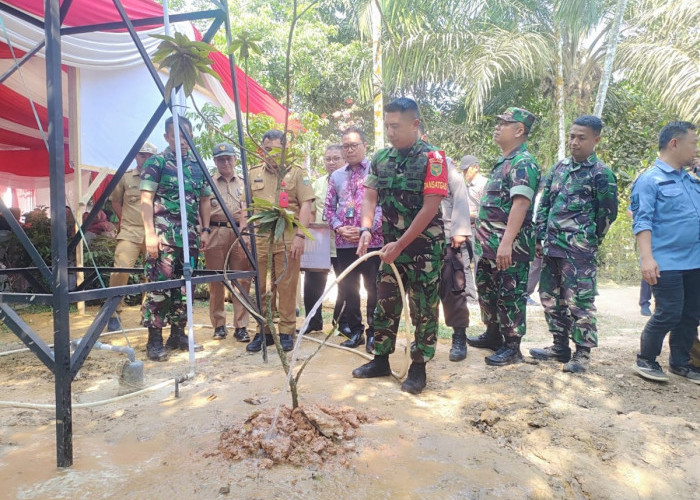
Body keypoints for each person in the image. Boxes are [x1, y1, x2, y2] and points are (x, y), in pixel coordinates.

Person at [353, 97, 448, 395]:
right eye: (387, 126)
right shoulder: (382, 158)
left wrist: (401, 243)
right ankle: (380, 359)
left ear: (415, 124)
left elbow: (430, 208)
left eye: (396, 126)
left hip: (424, 249)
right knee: (386, 300)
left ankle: (418, 367)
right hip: (391, 247)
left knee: (423, 308)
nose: (390, 132)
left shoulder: (434, 159)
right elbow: (370, 194)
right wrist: (367, 228)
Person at [530, 115, 618, 373]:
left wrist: (589, 241)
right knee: (549, 298)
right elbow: (544, 204)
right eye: (572, 136)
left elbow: (607, 214)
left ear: (596, 140)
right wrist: (538, 236)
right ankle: (559, 346)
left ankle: (582, 353)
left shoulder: (601, 174)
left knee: (579, 302)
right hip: (552, 247)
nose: (574, 142)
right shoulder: (559, 168)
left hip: (579, 251)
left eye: (582, 138)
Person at [466, 107, 540, 366]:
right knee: (488, 291)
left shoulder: (523, 162)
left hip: (509, 246)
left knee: (510, 294)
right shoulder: (505, 162)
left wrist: (507, 242)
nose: (497, 127)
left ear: (519, 130)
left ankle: (512, 346)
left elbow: (520, 205)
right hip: (489, 246)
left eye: (504, 123)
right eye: (498, 122)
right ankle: (493, 334)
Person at [631, 121, 700, 384]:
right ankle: (646, 358)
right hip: (666, 261)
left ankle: (681, 363)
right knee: (669, 312)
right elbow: (642, 221)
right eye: (693, 142)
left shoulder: (691, 180)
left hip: (695, 260)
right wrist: (647, 259)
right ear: (675, 143)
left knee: (691, 314)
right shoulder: (650, 179)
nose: (696, 148)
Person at [140, 116, 211, 361]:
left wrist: (205, 229)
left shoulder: (197, 166)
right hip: (163, 235)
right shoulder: (156, 162)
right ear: (167, 137)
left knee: (185, 288)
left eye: (186, 136)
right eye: (176, 136)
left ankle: (178, 333)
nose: (181, 141)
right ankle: (155, 340)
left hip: (189, 238)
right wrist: (149, 233)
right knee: (159, 288)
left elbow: (204, 200)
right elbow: (146, 200)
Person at [246, 130, 315, 353]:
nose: (272, 155)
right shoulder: (253, 173)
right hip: (261, 236)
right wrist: (245, 234)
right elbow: (245, 206)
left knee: (286, 285)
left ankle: (286, 331)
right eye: (267, 150)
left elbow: (306, 204)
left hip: (287, 236)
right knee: (263, 287)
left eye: (276, 150)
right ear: (262, 150)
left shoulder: (296, 173)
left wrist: (300, 236)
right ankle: (263, 330)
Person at [325, 126, 383, 351]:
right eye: (345, 146)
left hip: (372, 241)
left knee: (373, 288)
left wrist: (363, 229)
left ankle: (373, 333)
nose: (349, 150)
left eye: (354, 145)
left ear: (364, 146)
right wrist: (339, 228)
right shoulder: (337, 176)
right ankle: (356, 331)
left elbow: (383, 206)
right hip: (344, 243)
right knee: (349, 288)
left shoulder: (376, 171)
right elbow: (328, 209)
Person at [202, 143, 253, 343]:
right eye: (221, 159)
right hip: (215, 231)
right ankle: (219, 325)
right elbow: (202, 207)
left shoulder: (244, 183)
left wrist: (246, 232)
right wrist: (203, 230)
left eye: (229, 158)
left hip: (239, 233)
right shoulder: (209, 182)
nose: (225, 162)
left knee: (242, 279)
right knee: (215, 280)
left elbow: (249, 209)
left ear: (235, 159)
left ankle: (241, 326)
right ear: (215, 161)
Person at [106, 142, 157, 332]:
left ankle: (148, 312)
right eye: (142, 155)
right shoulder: (126, 178)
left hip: (154, 231)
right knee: (120, 269)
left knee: (153, 274)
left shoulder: (159, 177)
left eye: (150, 156)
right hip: (130, 229)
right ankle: (113, 313)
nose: (145, 159)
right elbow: (116, 202)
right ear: (136, 156)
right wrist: (126, 220)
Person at [303, 144, 348, 336]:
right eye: (328, 159)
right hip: (320, 243)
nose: (331, 162)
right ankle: (312, 322)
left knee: (346, 283)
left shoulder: (351, 182)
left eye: (336, 158)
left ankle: (341, 322)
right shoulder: (317, 184)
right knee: (313, 284)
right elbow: (311, 211)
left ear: (344, 159)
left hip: (343, 242)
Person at [439, 157, 472, 362]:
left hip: (446, 235)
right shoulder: (404, 163)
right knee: (421, 291)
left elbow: (460, 193)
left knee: (453, 287)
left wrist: (459, 229)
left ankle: (459, 336)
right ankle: (425, 336)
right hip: (418, 237)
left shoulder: (442, 163)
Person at [459, 155, 486, 303]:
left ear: (476, 167)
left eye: (466, 170)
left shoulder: (484, 184)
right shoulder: (464, 186)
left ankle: (482, 294)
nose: (465, 174)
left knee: (478, 261)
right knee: (464, 261)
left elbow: (488, 210)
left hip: (478, 229)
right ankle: (470, 296)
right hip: (465, 227)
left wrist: (472, 214)